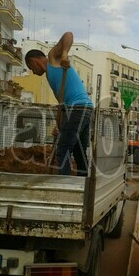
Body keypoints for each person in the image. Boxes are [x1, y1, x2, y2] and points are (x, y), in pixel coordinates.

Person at [25, 32, 93, 176]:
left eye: (31, 69)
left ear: (33, 61)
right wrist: (59, 126)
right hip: (84, 108)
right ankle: (83, 187)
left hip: (77, 108)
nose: (33, 72)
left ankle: (65, 187)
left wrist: (63, 54)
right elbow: (63, 105)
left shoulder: (52, 60)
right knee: (78, 152)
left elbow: (68, 35)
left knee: (63, 150)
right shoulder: (52, 78)